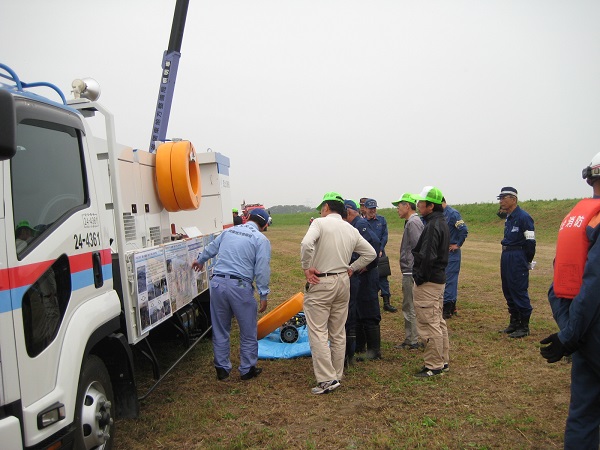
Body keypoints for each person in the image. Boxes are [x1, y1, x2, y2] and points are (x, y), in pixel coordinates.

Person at [539, 152, 600, 449]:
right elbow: (594, 285)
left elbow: (559, 283)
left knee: (583, 414)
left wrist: (570, 333)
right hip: (588, 328)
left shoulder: (577, 219)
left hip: (584, 333)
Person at [301, 192, 376, 394]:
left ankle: (326, 379)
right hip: (343, 281)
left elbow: (306, 244)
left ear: (326, 207)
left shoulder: (319, 223)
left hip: (322, 281)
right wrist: (352, 267)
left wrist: (307, 267)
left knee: (317, 330)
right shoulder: (349, 228)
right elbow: (371, 253)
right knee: (338, 330)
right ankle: (337, 373)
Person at [192, 208, 271, 382]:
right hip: (241, 286)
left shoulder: (228, 232)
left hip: (218, 283)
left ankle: (221, 368)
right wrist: (263, 294)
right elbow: (262, 269)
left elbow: (211, 249)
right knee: (248, 330)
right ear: (265, 225)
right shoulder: (260, 239)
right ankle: (247, 369)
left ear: (247, 217)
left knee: (220, 328)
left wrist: (199, 260)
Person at [411, 186, 450, 377]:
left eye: (421, 202)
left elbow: (427, 256)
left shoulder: (433, 225)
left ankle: (434, 365)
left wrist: (419, 278)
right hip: (437, 280)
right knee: (437, 320)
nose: (418, 205)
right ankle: (442, 360)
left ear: (431, 206)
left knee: (428, 323)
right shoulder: (439, 221)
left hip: (429, 282)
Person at [343, 199, 381, 364]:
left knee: (369, 310)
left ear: (349, 211)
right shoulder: (354, 225)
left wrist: (367, 266)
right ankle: (360, 345)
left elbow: (375, 245)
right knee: (358, 309)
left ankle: (374, 349)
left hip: (366, 275)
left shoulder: (360, 225)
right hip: (359, 275)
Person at [497, 187, 536, 338]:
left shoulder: (523, 217)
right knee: (507, 288)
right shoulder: (509, 217)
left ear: (513, 199)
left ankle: (524, 325)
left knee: (518, 288)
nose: (501, 201)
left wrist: (526, 259)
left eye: (504, 198)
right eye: (500, 198)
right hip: (506, 254)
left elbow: (530, 241)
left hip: (517, 254)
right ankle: (514, 322)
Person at [392, 193, 424, 350]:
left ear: (407, 206)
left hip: (411, 272)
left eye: (399, 205)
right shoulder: (411, 222)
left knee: (409, 305)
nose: (397, 208)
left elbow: (418, 248)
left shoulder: (413, 223)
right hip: (411, 270)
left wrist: (414, 269)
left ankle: (412, 340)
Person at [364, 198, 398, 313]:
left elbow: (384, 236)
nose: (373, 210)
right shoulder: (362, 222)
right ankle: (370, 302)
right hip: (367, 254)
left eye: (374, 208)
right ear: (365, 209)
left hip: (381, 254)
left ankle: (386, 302)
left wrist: (381, 248)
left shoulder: (382, 220)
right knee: (369, 278)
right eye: (370, 208)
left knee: (383, 277)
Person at [441, 197, 468, 319]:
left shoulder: (452, 213)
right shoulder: (440, 214)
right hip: (442, 252)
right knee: (445, 279)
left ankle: (448, 308)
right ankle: (451, 306)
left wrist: (458, 244)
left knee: (450, 280)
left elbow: (463, 230)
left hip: (451, 253)